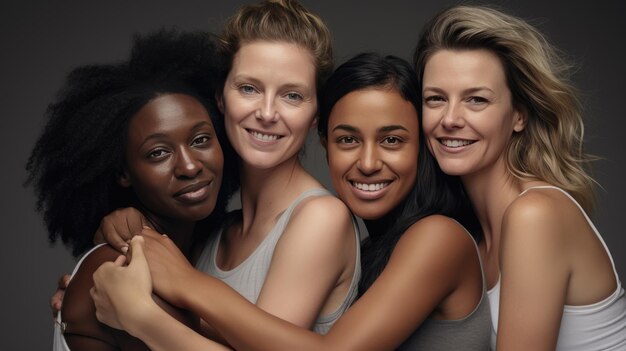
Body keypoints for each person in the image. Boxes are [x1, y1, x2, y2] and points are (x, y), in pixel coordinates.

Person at [91, 53, 491, 350]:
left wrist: (151, 309)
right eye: (348, 140)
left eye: (392, 140)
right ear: (325, 144)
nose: (368, 163)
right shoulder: (374, 251)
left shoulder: (439, 238)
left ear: (421, 146)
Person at [85, 0, 360, 339]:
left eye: (292, 95)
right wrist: (87, 301)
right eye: (249, 88)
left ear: (316, 113)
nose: (268, 112)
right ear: (220, 97)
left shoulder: (321, 218)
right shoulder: (216, 230)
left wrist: (138, 315)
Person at [413, 5, 626, 350]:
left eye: (476, 100)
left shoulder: (535, 214)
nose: (450, 119)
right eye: (435, 99)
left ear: (519, 116)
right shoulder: (472, 239)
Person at [26, 29, 238, 350]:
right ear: (123, 172)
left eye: (200, 140)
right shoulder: (123, 268)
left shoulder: (200, 246)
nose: (190, 166)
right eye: (158, 153)